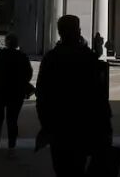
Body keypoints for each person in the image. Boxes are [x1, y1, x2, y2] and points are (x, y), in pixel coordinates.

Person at [36, 15, 115, 177]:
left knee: (62, 168)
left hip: (59, 125)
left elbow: (42, 95)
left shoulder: (51, 58)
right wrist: (106, 126)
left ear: (60, 32)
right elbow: (99, 96)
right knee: (78, 166)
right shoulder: (88, 58)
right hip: (83, 124)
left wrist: (46, 125)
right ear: (77, 31)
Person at [0, 34, 34, 153]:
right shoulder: (22, 56)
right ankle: (11, 145)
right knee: (12, 119)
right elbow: (28, 75)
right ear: (17, 44)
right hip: (16, 92)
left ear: (6, 42)